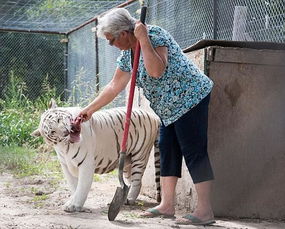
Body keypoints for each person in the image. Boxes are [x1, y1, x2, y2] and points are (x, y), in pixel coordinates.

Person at [78, 8, 215, 226]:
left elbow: (156, 71)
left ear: (124, 33)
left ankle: (205, 211)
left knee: (193, 151)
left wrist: (143, 39)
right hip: (168, 109)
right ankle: (167, 205)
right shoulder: (127, 55)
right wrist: (88, 110)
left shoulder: (154, 35)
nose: (111, 45)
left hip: (190, 98)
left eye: (111, 40)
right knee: (167, 148)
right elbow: (114, 86)